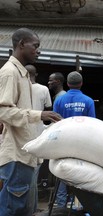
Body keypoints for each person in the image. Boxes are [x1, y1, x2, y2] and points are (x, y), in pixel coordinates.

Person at [0, 27, 62, 216]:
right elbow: (3, 111)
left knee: (22, 208)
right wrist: (39, 115)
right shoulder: (10, 73)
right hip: (16, 155)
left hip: (25, 154)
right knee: (13, 208)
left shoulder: (22, 74)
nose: (38, 50)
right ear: (21, 45)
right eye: (35, 46)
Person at [53, 71, 96, 208]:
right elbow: (92, 125)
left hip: (63, 142)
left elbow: (55, 123)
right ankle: (79, 203)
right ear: (81, 83)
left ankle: (60, 204)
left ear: (68, 84)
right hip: (81, 144)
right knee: (80, 173)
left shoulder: (59, 100)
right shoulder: (88, 101)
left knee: (62, 171)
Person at [26, 64, 52, 213]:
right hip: (38, 135)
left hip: (21, 136)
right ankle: (32, 208)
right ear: (36, 74)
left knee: (26, 176)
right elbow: (47, 112)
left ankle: (32, 207)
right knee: (33, 176)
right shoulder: (43, 89)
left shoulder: (19, 89)